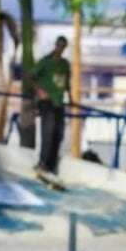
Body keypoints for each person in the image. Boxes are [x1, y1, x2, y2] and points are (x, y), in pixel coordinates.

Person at [31, 36, 72, 176]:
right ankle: (42, 163)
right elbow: (31, 76)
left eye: (63, 46)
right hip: (46, 102)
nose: (60, 48)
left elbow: (67, 82)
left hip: (58, 102)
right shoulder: (45, 61)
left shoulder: (65, 64)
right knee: (47, 131)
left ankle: (52, 166)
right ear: (55, 45)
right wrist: (40, 91)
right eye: (59, 45)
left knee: (58, 133)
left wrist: (70, 98)